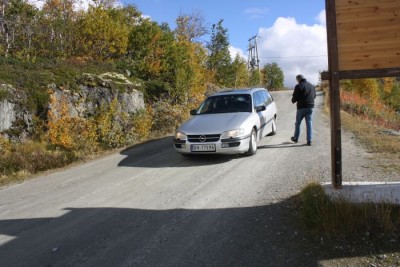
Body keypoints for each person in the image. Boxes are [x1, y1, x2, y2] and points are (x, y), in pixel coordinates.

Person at [291, 74, 316, 146]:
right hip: (310, 107)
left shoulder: (298, 86)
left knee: (298, 123)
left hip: (301, 107)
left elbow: (295, 97)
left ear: (298, 80)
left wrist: (293, 100)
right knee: (309, 123)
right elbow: (314, 96)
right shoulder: (311, 86)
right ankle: (309, 140)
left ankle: (296, 138)